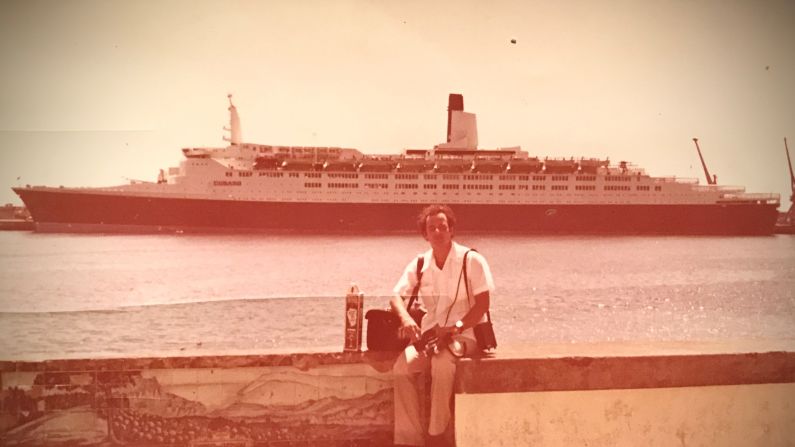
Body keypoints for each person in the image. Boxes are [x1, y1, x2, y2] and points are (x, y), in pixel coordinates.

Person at [391, 204, 495, 447]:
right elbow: (396, 296)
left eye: (442, 227)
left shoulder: (472, 260)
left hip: (465, 335)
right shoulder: (420, 264)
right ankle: (409, 439)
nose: (437, 231)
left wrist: (455, 328)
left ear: (452, 231)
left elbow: (482, 304)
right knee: (402, 368)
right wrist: (406, 319)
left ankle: (437, 436)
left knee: (441, 363)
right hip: (431, 338)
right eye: (431, 228)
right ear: (424, 234)